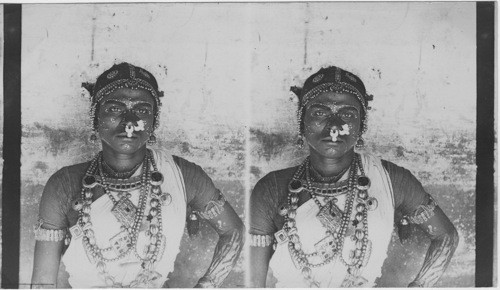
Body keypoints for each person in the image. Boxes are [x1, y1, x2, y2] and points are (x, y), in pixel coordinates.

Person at [31, 62, 244, 288]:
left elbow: (233, 230)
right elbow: (43, 282)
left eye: (142, 111)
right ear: (95, 117)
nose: (130, 124)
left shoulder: (183, 175)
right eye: (114, 109)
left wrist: (206, 284)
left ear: (154, 121)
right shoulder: (63, 185)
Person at [249, 66, 459, 287]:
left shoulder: (392, 180)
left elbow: (446, 236)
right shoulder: (270, 189)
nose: (334, 128)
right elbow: (254, 282)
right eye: (320, 113)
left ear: (362, 125)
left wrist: (419, 285)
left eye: (347, 114)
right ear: (302, 122)